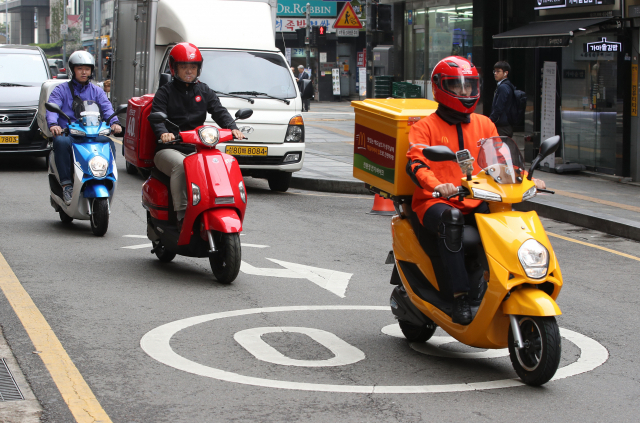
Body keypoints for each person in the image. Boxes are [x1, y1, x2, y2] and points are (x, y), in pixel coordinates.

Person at [406, 56, 545, 325]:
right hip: (435, 202)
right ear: (440, 87)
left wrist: (527, 178)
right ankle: (459, 297)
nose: (465, 93)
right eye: (457, 87)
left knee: (508, 222)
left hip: (477, 197)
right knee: (452, 221)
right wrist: (438, 185)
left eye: (469, 86)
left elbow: (501, 161)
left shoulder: (485, 124)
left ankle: (498, 283)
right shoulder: (424, 127)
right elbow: (417, 163)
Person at [149, 42, 245, 230]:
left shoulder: (204, 91)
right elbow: (156, 118)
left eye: (192, 67)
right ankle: (183, 216)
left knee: (221, 163)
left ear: (199, 69)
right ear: (174, 68)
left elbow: (219, 111)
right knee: (181, 166)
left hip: (198, 147)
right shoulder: (164, 92)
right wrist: (164, 134)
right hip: (169, 149)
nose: (188, 71)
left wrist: (232, 127)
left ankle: (215, 206)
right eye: (183, 66)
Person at [46, 51, 122, 205]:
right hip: (70, 133)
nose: (84, 72)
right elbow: (52, 109)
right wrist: (54, 125)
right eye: (80, 68)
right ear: (73, 70)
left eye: (87, 69)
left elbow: (107, 108)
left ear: (91, 71)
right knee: (60, 142)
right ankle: (66, 185)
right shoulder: (61, 90)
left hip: (91, 132)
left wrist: (114, 122)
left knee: (108, 143)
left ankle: (107, 177)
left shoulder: (97, 91)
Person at [489, 61, 514, 138]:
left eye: (498, 71)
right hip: (505, 125)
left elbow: (499, 107)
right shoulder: (506, 85)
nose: (495, 73)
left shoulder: (503, 87)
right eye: (494, 71)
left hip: (502, 126)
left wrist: (490, 121)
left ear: (505, 73)